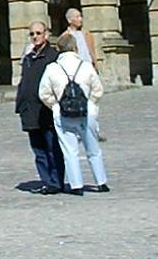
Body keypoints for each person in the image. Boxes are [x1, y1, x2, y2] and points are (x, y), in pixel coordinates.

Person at [38, 37, 108, 195]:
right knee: (93, 148)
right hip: (86, 112)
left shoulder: (52, 68)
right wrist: (91, 104)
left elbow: (43, 93)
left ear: (58, 49)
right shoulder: (86, 66)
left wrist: (55, 106)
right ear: (75, 48)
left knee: (70, 151)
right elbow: (98, 90)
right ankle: (101, 182)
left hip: (63, 114)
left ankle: (76, 185)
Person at [15, 23, 63, 195]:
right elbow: (24, 82)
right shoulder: (28, 57)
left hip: (46, 110)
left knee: (52, 148)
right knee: (38, 150)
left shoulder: (53, 56)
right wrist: (20, 104)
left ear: (46, 34)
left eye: (38, 33)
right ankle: (46, 181)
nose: (35, 36)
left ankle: (56, 181)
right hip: (30, 110)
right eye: (32, 34)